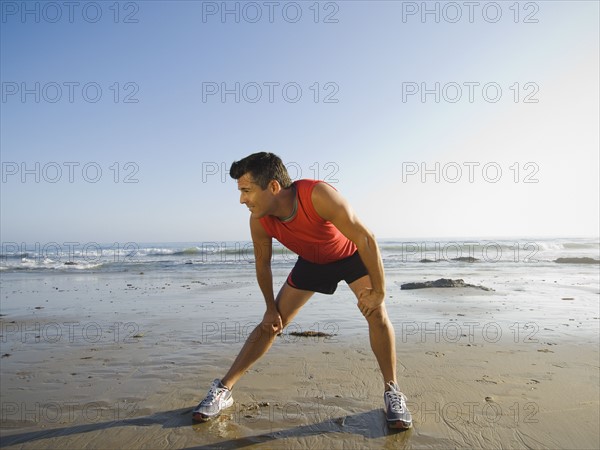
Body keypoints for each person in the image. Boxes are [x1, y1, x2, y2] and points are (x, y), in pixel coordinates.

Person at [192, 152, 412, 429]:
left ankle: (392, 392)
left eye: (247, 190)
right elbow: (263, 265)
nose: (242, 199)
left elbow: (365, 238)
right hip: (312, 261)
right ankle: (223, 390)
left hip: (350, 256)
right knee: (270, 325)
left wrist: (379, 291)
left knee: (377, 314)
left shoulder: (317, 195)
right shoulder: (259, 219)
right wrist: (270, 308)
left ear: (273, 187)